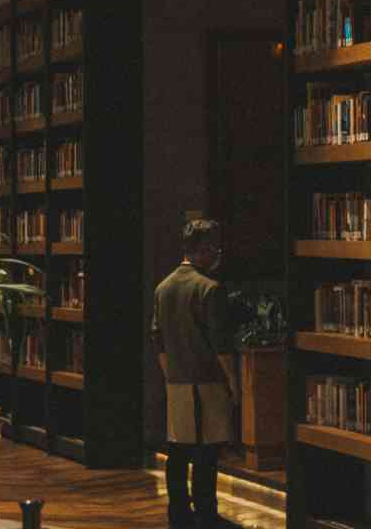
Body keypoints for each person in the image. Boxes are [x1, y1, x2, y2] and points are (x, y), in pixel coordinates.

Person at [150, 218, 240, 529]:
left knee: (177, 452)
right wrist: (234, 383)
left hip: (176, 381)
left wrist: (170, 376)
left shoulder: (163, 288)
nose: (217, 253)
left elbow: (158, 340)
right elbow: (221, 346)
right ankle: (205, 512)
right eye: (214, 247)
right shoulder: (209, 289)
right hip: (207, 381)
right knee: (207, 453)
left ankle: (178, 513)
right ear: (201, 250)